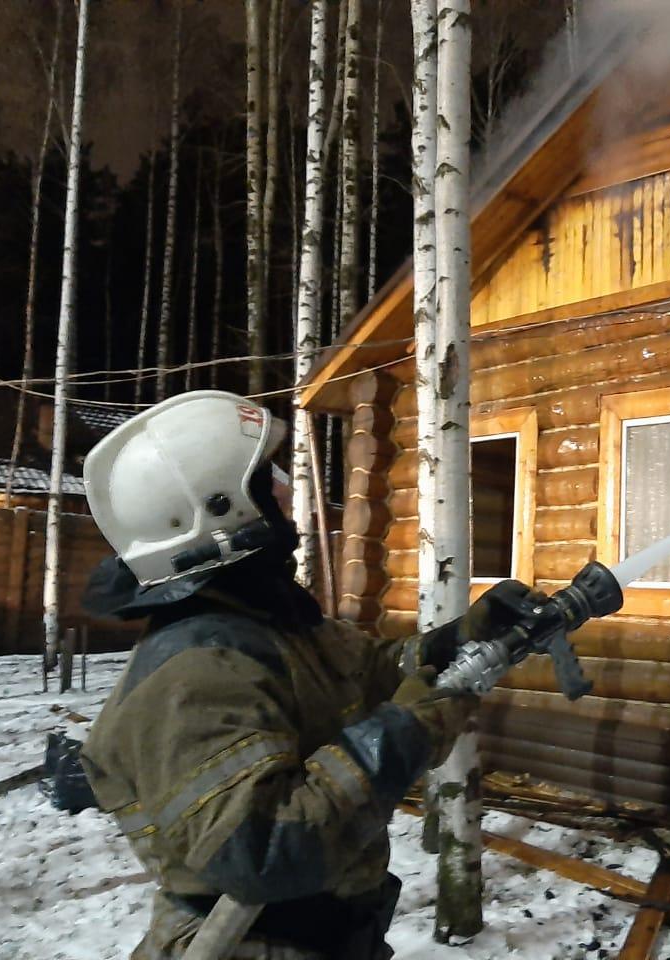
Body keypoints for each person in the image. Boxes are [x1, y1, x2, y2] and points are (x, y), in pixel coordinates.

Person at [79, 390, 539, 960]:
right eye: (264, 479)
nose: (284, 490)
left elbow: (368, 671)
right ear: (221, 507)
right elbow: (268, 849)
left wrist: (457, 640)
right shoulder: (194, 668)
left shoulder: (265, 622)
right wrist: (407, 730)